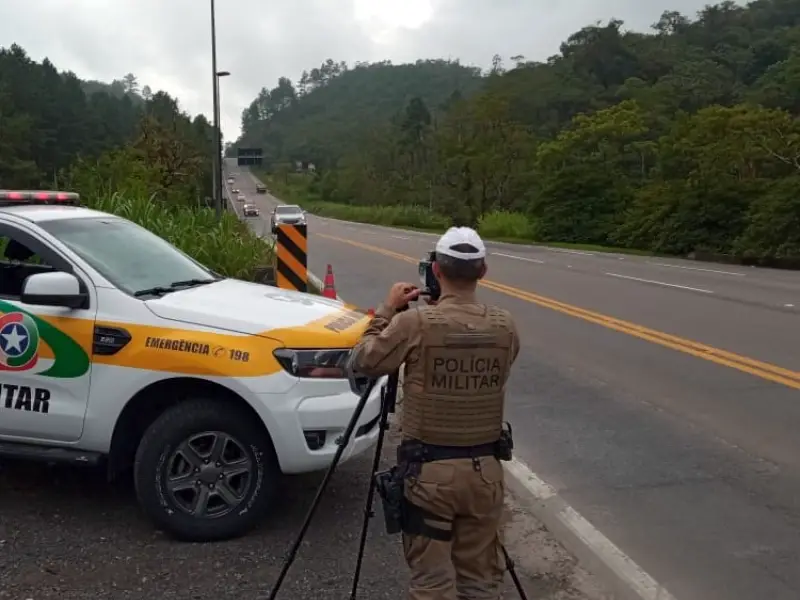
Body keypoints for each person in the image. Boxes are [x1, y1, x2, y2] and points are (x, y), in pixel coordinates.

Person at [351, 226, 520, 599]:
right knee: (480, 582)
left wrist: (387, 311)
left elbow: (365, 360)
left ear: (436, 272)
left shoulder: (414, 323)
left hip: (430, 476)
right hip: (486, 475)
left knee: (433, 585)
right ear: (483, 271)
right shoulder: (505, 326)